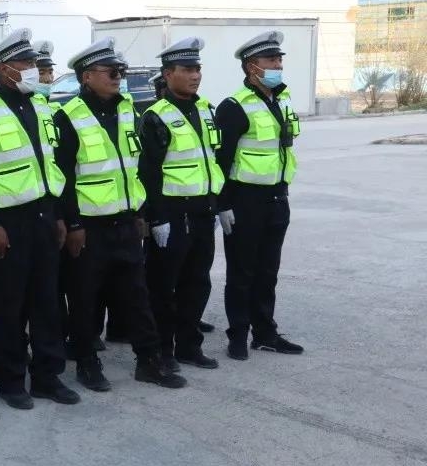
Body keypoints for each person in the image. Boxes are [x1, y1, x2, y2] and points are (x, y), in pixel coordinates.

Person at [54, 38, 186, 391]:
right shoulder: (68, 117)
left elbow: (134, 168)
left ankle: (149, 362)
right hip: (90, 227)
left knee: (137, 297)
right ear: (86, 77)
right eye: (110, 71)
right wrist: (74, 224)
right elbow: (62, 178)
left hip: (126, 222)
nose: (118, 77)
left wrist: (140, 212)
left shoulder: (128, 111)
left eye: (120, 71)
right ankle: (87, 363)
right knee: (85, 299)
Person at [0, 28, 77, 410]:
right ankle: (11, 381)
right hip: (7, 224)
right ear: (4, 68)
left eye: (33, 62)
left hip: (44, 216)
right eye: (25, 63)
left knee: (46, 302)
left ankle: (47, 377)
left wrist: (58, 216)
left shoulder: (41, 107)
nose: (32, 68)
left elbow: (50, 166)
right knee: (9, 306)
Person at [215, 31, 304, 360]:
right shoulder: (234, 107)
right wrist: (222, 204)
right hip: (245, 201)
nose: (278, 65)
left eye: (279, 59)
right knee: (242, 273)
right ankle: (238, 335)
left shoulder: (282, 100)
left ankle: (265, 333)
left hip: (277, 199)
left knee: (268, 272)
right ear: (251, 66)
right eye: (271, 60)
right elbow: (221, 160)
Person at [138, 37, 222, 371]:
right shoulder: (155, 117)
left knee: (197, 283)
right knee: (163, 287)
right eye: (186, 69)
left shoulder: (206, 110)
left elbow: (212, 160)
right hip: (173, 215)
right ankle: (163, 350)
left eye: (197, 68)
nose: (195, 75)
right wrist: (156, 218)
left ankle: (189, 345)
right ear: (168, 74)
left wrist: (219, 204)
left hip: (202, 212)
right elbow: (148, 173)